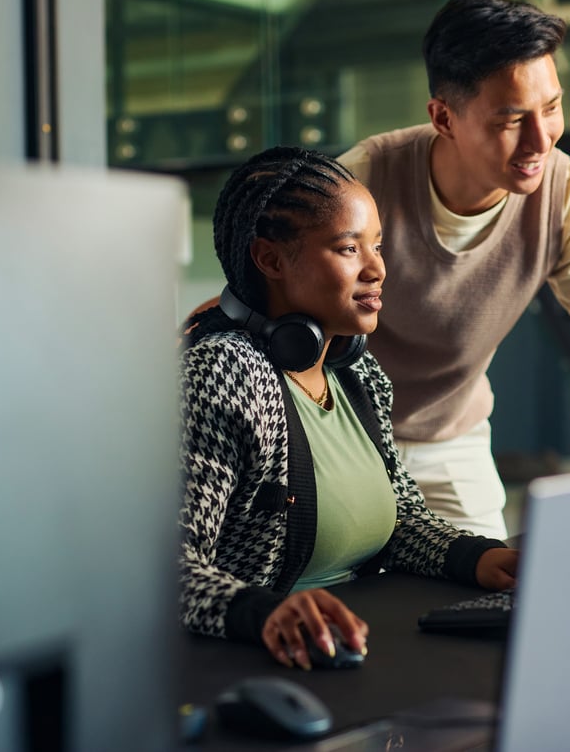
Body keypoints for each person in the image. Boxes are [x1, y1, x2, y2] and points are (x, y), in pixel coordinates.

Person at [178, 146, 518, 669]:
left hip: (358, 646)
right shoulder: (222, 373)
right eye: (348, 249)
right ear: (270, 260)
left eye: (377, 246)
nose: (378, 268)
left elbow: (401, 521)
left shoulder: (356, 373)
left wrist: (484, 559)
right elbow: (167, 571)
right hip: (260, 663)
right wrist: (263, 613)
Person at [333, 0, 570, 539]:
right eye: (511, 118)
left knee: (490, 603)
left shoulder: (564, 194)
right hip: (341, 438)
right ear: (443, 117)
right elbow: (273, 317)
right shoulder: (361, 182)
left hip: (451, 439)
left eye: (551, 108)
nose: (540, 140)